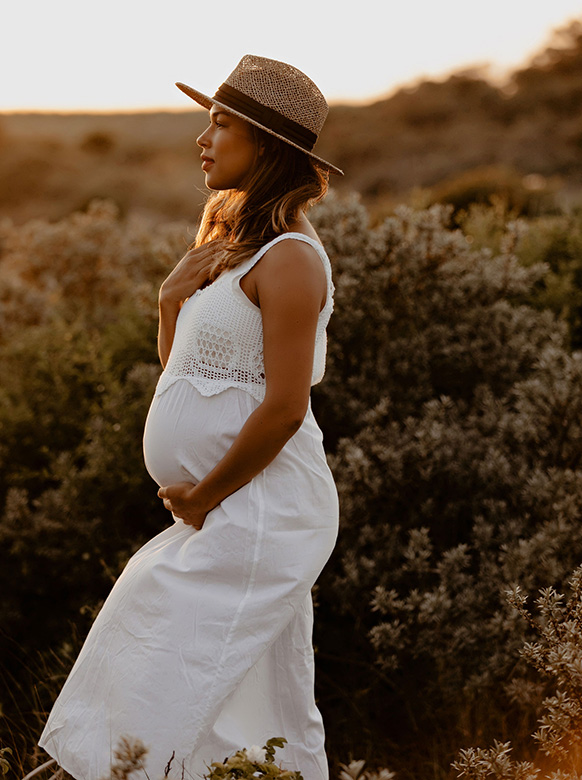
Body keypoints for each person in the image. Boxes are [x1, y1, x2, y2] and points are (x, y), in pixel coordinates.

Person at [39, 55, 343, 780]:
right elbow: (187, 375)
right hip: (220, 506)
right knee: (246, 691)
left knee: (153, 641)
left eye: (219, 122)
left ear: (265, 144)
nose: (201, 139)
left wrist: (203, 495)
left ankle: (87, 769)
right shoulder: (231, 249)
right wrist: (169, 304)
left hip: (266, 506)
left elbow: (284, 406)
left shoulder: (293, 260)